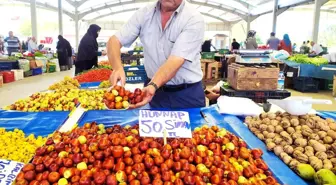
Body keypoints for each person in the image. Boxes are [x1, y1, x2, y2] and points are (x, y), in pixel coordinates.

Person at [107, 0, 205, 109]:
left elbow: (175, 61)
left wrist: (153, 85)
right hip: (155, 94)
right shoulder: (144, 13)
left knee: (192, 125)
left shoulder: (193, 18)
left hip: (186, 94)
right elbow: (114, 40)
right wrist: (117, 68)